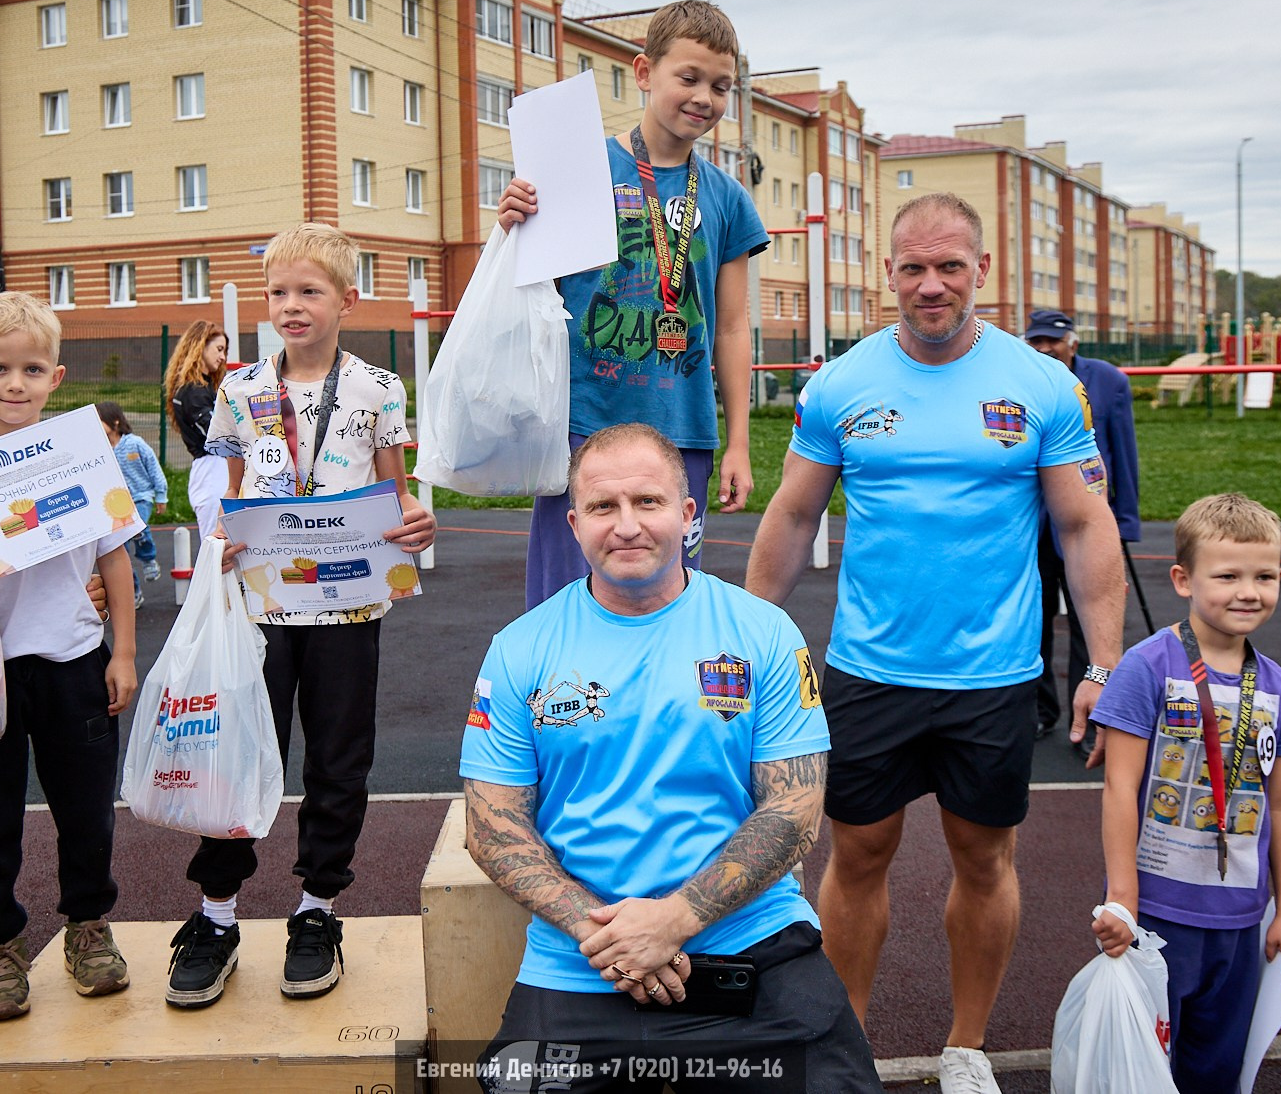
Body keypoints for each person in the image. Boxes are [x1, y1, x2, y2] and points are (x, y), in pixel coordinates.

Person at [744, 192, 1125, 1094]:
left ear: (981, 271)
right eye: (912, 267)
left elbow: (1084, 526)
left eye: (950, 265)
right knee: (857, 854)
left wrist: (1104, 666)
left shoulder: (1042, 384)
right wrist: (742, 640)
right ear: (889, 273)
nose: (930, 284)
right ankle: (844, 1045)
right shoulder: (841, 384)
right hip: (869, 670)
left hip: (994, 676)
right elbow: (793, 515)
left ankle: (967, 1046)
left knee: (984, 857)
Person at [460, 424, 882, 1093]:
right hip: (582, 960)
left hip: (749, 943)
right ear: (574, 524)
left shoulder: (763, 633)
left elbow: (795, 811)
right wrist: (616, 939)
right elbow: (492, 827)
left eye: (648, 502)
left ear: (687, 515)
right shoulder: (519, 649)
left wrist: (674, 920)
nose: (627, 525)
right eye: (603, 506)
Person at [164, 223, 435, 1007]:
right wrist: (223, 537)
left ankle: (317, 909)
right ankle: (217, 914)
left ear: (347, 299)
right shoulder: (241, 389)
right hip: (262, 605)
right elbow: (231, 494)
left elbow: (396, 493)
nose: (292, 304)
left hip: (348, 605)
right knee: (237, 752)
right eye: (279, 291)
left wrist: (416, 522)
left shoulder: (379, 388)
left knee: (339, 759)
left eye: (310, 290)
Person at [497, 0, 768, 610]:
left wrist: (739, 442)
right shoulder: (576, 170)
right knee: (566, 598)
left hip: (681, 431)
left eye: (720, 86)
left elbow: (731, 327)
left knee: (664, 595)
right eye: (689, 77)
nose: (704, 98)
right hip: (583, 424)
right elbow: (529, 290)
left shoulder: (727, 198)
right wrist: (510, 225)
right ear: (645, 72)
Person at [0, 292, 142, 1022]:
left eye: (30, 369)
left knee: (86, 810)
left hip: (73, 659)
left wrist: (123, 651)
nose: (15, 383)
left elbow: (115, 558)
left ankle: (88, 925)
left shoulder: (84, 456)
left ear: (55, 377)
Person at [1090, 493, 1281, 1094]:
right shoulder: (1147, 667)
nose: (1249, 592)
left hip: (1241, 920)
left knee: (1216, 1067)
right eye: (1228, 576)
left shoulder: (1280, 688)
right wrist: (1122, 898)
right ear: (1183, 580)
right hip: (1157, 913)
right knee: (1144, 1067)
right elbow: (1119, 787)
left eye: (1265, 576)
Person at [1023, 309, 1141, 748]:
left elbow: (1123, 453)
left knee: (1089, 622)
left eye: (1052, 340)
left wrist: (1124, 521)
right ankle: (1038, 711)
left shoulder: (1107, 380)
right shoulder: (1020, 378)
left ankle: (1092, 715)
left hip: (1087, 520)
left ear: (1072, 342)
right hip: (1031, 524)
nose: (1045, 348)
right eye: (1036, 341)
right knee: (1032, 620)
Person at [163, 320, 228, 545]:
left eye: (224, 351)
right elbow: (216, 434)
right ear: (200, 346)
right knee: (216, 548)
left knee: (221, 547)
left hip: (214, 470)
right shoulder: (193, 391)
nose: (223, 357)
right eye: (219, 349)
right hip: (212, 472)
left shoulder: (200, 388)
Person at [97, 400, 167, 607]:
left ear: (115, 421)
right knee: (120, 550)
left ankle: (148, 558)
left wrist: (161, 495)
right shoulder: (100, 449)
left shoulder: (135, 443)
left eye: (100, 420)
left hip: (141, 497)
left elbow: (154, 468)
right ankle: (133, 591)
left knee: (138, 526)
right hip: (116, 505)